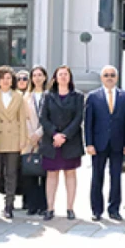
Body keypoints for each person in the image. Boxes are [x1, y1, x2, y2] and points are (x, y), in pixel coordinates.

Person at [85, 65, 125, 222]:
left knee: (116, 178)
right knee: (97, 177)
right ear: (101, 78)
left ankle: (114, 209)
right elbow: (88, 123)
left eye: (112, 75)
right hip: (99, 144)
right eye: (106, 75)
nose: (109, 77)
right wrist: (89, 143)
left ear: (117, 78)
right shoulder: (93, 97)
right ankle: (96, 210)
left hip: (118, 144)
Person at [40, 65, 84, 221]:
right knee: (52, 174)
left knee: (70, 173)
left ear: (70, 77)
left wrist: (64, 135)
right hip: (51, 141)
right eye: (61, 74)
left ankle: (70, 208)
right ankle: (50, 208)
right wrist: (54, 134)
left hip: (70, 141)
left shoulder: (77, 96)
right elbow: (43, 118)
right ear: (55, 77)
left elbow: (78, 118)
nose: (63, 77)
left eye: (66, 74)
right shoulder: (48, 95)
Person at [0, 66, 29, 220]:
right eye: (3, 78)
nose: (6, 81)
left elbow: (22, 119)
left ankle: (9, 206)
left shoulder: (18, 96)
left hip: (13, 138)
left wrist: (23, 139)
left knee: (11, 174)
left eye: (9, 78)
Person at [19, 67, 48, 216]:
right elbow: (24, 118)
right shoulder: (26, 97)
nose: (37, 78)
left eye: (40, 75)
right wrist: (32, 135)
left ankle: (44, 205)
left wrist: (40, 133)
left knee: (44, 173)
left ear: (45, 77)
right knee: (29, 172)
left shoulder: (49, 96)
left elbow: (51, 118)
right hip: (28, 138)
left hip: (46, 137)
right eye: (34, 75)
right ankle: (32, 205)